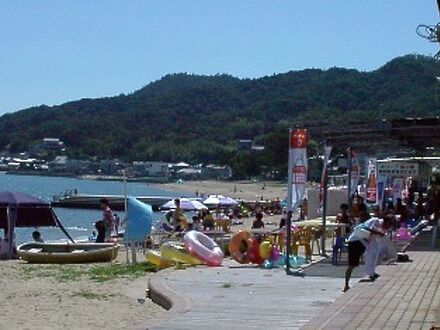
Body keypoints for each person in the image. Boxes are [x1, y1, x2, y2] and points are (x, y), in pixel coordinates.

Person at [343, 217, 392, 292]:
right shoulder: (375, 221)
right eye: (387, 226)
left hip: (363, 243)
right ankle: (346, 285)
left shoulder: (381, 228)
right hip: (355, 241)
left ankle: (371, 272)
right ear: (385, 222)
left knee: (372, 255)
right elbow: (368, 229)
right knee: (352, 265)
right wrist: (379, 233)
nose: (386, 228)